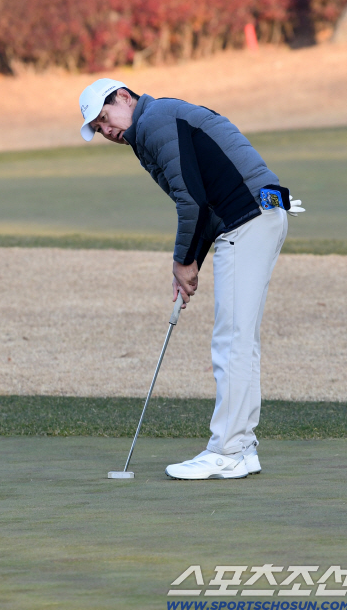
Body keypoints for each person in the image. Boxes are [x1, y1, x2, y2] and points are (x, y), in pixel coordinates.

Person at [79, 78, 304, 480]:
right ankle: (242, 447)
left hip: (249, 219)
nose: (106, 130)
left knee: (232, 339)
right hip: (257, 215)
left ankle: (228, 450)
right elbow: (204, 203)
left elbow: (192, 202)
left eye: (104, 117)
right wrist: (192, 264)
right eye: (97, 128)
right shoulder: (152, 127)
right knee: (240, 338)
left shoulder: (155, 122)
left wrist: (182, 261)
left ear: (125, 98)